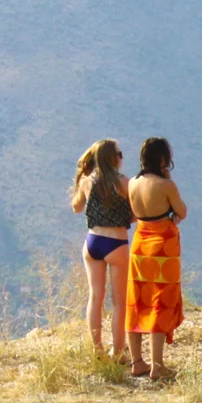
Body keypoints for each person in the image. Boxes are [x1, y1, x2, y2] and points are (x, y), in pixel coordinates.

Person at [125, 137, 188, 381]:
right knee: (160, 301)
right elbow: (181, 211)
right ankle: (157, 365)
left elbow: (133, 214)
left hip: (140, 243)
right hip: (163, 246)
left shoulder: (132, 183)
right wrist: (169, 180)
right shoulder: (165, 185)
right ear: (163, 158)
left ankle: (137, 361)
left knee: (137, 300)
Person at [69, 138, 132, 361]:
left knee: (95, 297)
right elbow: (135, 215)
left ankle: (97, 349)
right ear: (113, 158)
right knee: (119, 302)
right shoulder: (125, 183)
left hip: (93, 242)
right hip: (116, 243)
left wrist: (81, 181)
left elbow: (76, 207)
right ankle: (118, 352)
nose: (122, 157)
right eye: (120, 153)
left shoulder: (87, 182)